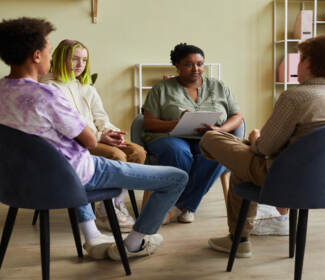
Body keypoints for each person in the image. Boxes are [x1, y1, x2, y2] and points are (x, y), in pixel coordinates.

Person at [0, 17, 188, 261]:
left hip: (19, 181)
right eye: (49, 49)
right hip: (72, 176)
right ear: (37, 56)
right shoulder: (47, 94)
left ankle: (93, 236)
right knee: (176, 178)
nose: (50, 56)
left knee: (102, 160)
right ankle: (134, 243)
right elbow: (89, 141)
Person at [200, 34, 325, 258]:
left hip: (287, 181)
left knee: (210, 138)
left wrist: (255, 139)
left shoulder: (295, 97)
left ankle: (239, 240)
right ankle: (239, 237)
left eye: (300, 58)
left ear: (309, 63)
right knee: (241, 170)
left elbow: (264, 149)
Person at [40, 39, 145, 233]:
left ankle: (110, 205)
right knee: (117, 156)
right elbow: (67, 126)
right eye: (75, 59)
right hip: (74, 142)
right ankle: (107, 213)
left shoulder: (86, 87)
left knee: (138, 152)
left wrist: (109, 132)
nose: (80, 65)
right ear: (61, 58)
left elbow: (100, 116)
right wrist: (99, 136)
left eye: (84, 60)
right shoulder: (51, 87)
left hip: (97, 136)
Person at [142, 43, 243, 223]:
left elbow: (237, 116)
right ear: (178, 66)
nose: (196, 69)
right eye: (189, 64)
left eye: (200, 64)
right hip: (170, 136)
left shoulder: (219, 86)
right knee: (178, 153)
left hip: (209, 136)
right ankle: (186, 205)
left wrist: (220, 130)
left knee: (219, 152)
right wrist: (176, 123)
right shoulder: (161, 88)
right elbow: (148, 122)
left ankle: (179, 206)